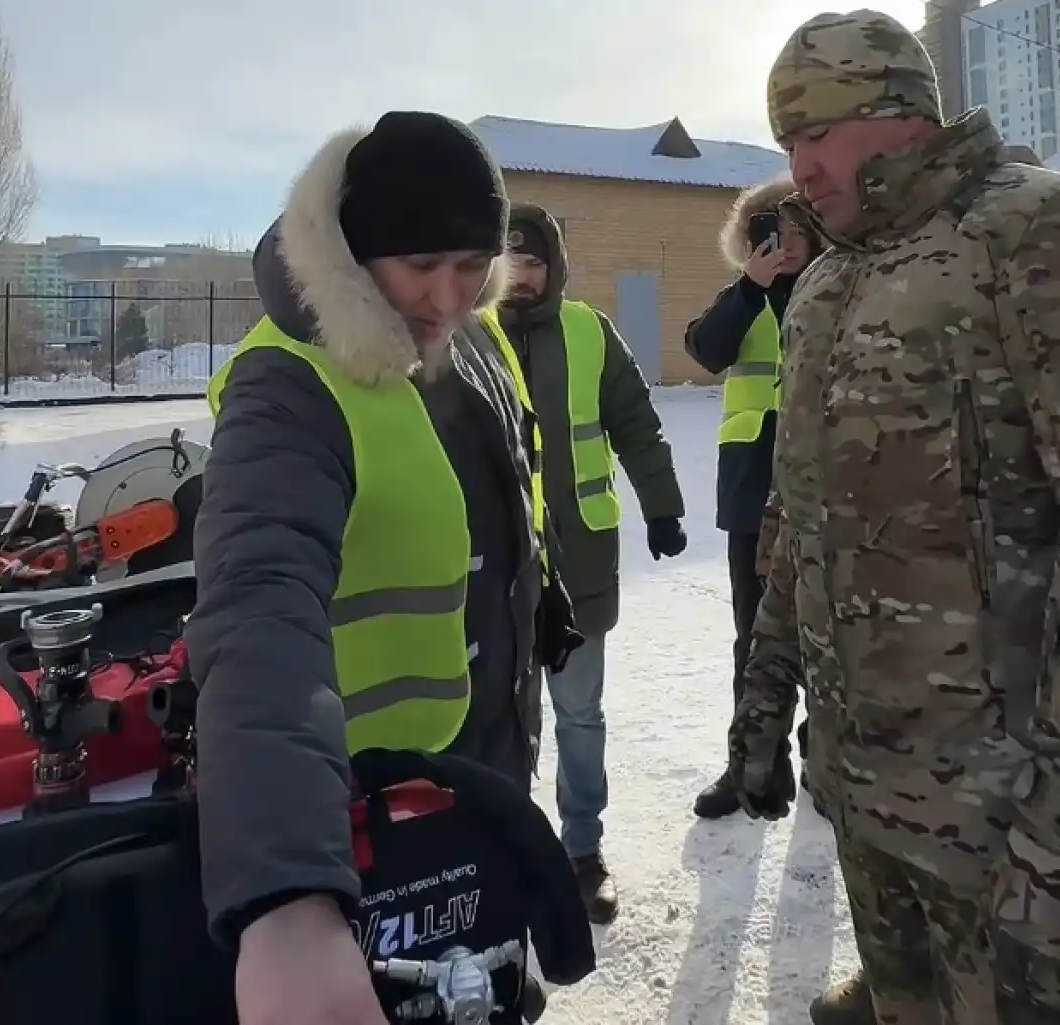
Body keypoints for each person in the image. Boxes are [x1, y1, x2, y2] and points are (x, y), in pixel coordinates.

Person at [728, 10, 1060, 1025]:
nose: (800, 167)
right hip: (872, 797)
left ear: (895, 114)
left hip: (1017, 829)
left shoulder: (1053, 235)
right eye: (786, 142)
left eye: (814, 134)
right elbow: (802, 520)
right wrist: (762, 708)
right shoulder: (826, 285)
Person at [186, 112, 579, 1025]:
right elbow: (256, 604)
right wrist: (285, 895)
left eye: (472, 264)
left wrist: (538, 591)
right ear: (356, 258)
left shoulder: (472, 342)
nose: (449, 296)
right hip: (358, 821)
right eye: (421, 266)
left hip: (481, 775)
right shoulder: (284, 386)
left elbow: (505, 490)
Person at [486, 202, 687, 924]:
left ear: (555, 266)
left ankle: (582, 852)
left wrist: (661, 503)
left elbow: (635, 421)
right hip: (493, 571)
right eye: (509, 261)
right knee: (497, 718)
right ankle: (499, 852)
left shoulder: (589, 333)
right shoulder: (467, 339)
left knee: (578, 715)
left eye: (533, 261)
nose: (520, 276)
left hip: (579, 562)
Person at [683, 176, 820, 820]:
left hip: (826, 488)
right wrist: (751, 287)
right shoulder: (745, 297)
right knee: (755, 637)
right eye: (771, 233)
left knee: (831, 637)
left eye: (795, 230)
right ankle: (751, 768)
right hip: (751, 490)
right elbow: (704, 351)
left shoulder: (842, 285)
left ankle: (827, 764)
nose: (784, 245)